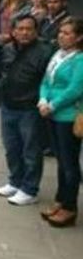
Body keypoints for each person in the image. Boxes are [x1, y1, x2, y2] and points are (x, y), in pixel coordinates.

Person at [0, 15, 53, 206]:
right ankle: (15, 181)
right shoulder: (9, 48)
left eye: (29, 29)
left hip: (30, 108)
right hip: (8, 105)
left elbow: (48, 81)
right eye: (20, 29)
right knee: (12, 148)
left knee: (31, 150)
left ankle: (29, 188)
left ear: (36, 31)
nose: (24, 33)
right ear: (13, 31)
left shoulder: (45, 52)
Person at [38, 18, 83, 227]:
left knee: (69, 164)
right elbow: (47, 80)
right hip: (52, 113)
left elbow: (74, 89)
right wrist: (43, 98)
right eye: (61, 32)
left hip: (67, 116)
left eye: (67, 33)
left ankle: (70, 207)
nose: (61, 36)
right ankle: (60, 199)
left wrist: (53, 104)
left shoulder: (79, 59)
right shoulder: (59, 54)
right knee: (61, 162)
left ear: (79, 37)